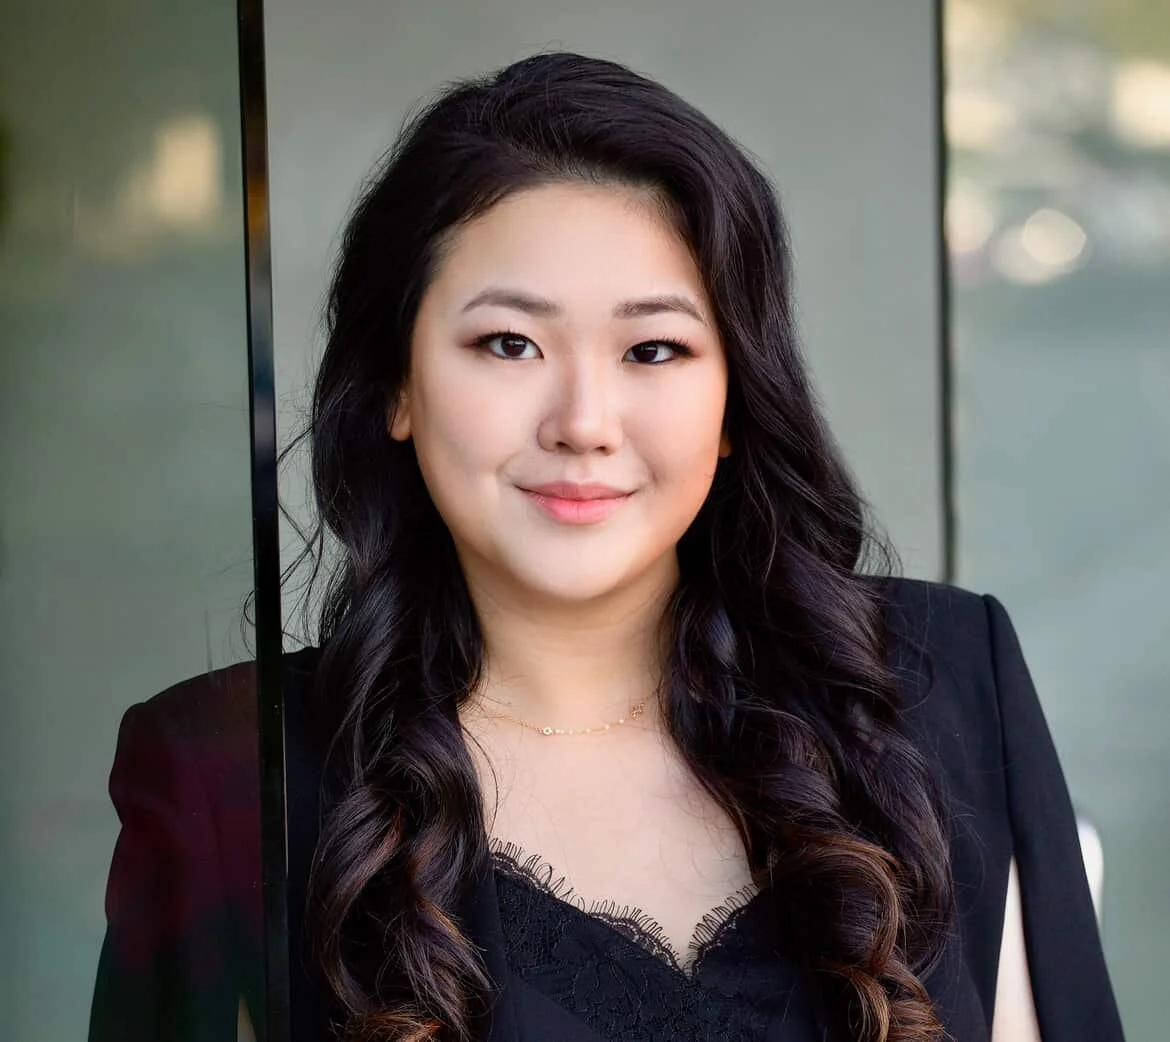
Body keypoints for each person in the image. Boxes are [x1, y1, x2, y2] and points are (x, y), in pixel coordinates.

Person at [89, 52, 1124, 1042]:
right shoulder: (231, 773)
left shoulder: (938, 679)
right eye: (509, 343)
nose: (584, 420)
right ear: (398, 384)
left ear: (733, 402)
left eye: (654, 348)